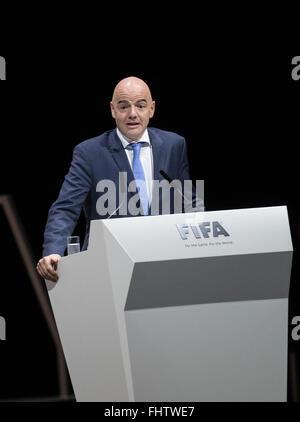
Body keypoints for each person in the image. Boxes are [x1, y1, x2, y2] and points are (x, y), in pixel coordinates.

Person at [36, 76, 204, 282]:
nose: (132, 114)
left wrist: (204, 235)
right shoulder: (89, 153)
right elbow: (65, 208)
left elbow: (187, 200)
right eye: (123, 107)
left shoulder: (174, 145)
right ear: (113, 110)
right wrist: (54, 250)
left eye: (140, 106)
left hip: (165, 260)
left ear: (151, 109)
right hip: (109, 265)